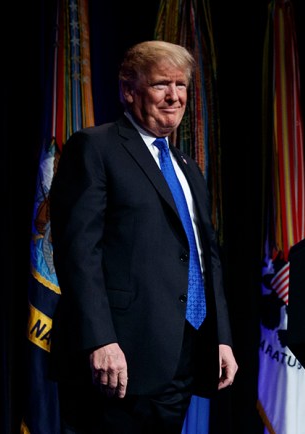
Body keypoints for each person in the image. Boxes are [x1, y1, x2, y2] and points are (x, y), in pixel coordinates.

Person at [49, 40, 238, 434]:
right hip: (118, 358)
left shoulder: (188, 168)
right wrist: (99, 340)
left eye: (181, 85)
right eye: (160, 85)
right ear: (129, 89)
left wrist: (220, 338)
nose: (174, 96)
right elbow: (77, 252)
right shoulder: (95, 147)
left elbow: (207, 258)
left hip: (182, 355)